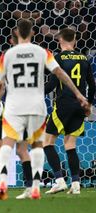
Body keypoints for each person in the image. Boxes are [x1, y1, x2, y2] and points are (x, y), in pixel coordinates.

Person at [0, 19, 89, 200]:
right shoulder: (43, 52)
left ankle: (2, 185)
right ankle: (36, 187)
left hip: (14, 105)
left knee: (7, 144)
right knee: (37, 145)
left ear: (17, 34)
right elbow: (61, 74)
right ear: (33, 33)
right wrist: (80, 95)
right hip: (37, 105)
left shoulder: (8, 55)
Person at [43, 28, 95, 195]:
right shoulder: (84, 58)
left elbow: (51, 86)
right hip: (80, 106)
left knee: (48, 142)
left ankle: (59, 180)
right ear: (75, 40)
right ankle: (76, 184)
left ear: (59, 40)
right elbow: (92, 85)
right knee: (70, 145)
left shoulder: (58, 58)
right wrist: (89, 104)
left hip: (63, 104)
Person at [0, 28, 33, 200]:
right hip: (30, 107)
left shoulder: (7, 56)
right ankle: (30, 187)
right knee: (22, 150)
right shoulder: (36, 54)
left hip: (12, 108)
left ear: (12, 41)